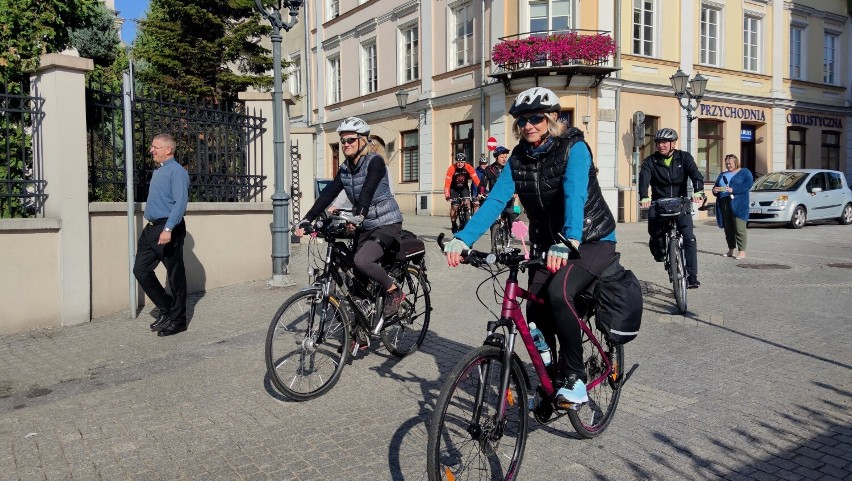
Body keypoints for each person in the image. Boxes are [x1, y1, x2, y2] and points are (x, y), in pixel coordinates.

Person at [444, 87, 617, 407]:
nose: (529, 125)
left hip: (591, 238)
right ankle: (550, 371)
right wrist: (463, 238)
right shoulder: (519, 157)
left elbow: (574, 195)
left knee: (557, 294)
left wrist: (569, 240)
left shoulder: (574, 148)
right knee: (534, 309)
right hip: (547, 244)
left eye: (536, 117)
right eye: (522, 120)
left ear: (552, 118)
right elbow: (496, 199)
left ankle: (576, 378)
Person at [295, 117, 405, 316]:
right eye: (343, 141)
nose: (345, 144)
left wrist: (359, 213)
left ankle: (393, 290)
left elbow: (368, 190)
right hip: (364, 223)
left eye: (351, 140)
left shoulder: (375, 161)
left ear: (363, 140)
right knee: (356, 279)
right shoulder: (346, 168)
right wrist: (307, 219)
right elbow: (329, 192)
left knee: (362, 261)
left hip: (387, 222)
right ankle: (360, 332)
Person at [134, 133, 190, 337]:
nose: (151, 150)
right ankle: (166, 308)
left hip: (168, 229)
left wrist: (168, 229)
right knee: (140, 270)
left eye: (155, 147)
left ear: (168, 150)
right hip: (151, 229)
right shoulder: (159, 171)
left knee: (175, 276)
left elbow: (180, 203)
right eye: (151, 146)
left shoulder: (177, 172)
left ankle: (178, 320)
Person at [638, 128, 705, 289]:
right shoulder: (650, 161)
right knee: (655, 233)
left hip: (681, 202)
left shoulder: (684, 157)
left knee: (689, 237)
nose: (661, 145)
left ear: (673, 143)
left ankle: (692, 276)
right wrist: (644, 196)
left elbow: (695, 175)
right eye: (658, 143)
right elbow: (644, 179)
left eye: (664, 142)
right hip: (659, 203)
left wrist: (698, 190)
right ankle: (660, 249)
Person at [713, 154, 753, 259]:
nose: (728, 166)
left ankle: (742, 252)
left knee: (739, 228)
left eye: (730, 163)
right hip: (724, 202)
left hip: (739, 203)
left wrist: (734, 189)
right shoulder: (722, 174)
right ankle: (731, 250)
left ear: (736, 162)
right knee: (728, 228)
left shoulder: (744, 172)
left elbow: (748, 185)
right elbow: (717, 186)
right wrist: (715, 190)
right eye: (726, 164)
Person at [481, 145, 520, 225]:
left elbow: (515, 180)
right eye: (502, 157)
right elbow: (483, 184)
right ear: (496, 157)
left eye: (505, 157)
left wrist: (515, 191)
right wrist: (481, 193)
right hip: (494, 198)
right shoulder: (489, 169)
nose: (504, 159)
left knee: (510, 212)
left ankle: (512, 229)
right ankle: (494, 235)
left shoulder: (510, 168)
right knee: (492, 219)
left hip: (508, 196)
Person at [443, 152, 480, 233]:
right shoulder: (451, 168)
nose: (460, 164)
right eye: (458, 162)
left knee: (467, 202)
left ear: (465, 162)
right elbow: (447, 182)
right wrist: (447, 195)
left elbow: (476, 180)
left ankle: (466, 217)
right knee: (455, 207)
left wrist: (481, 190)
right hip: (454, 189)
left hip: (464, 188)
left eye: (462, 162)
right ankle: (453, 223)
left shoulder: (469, 167)